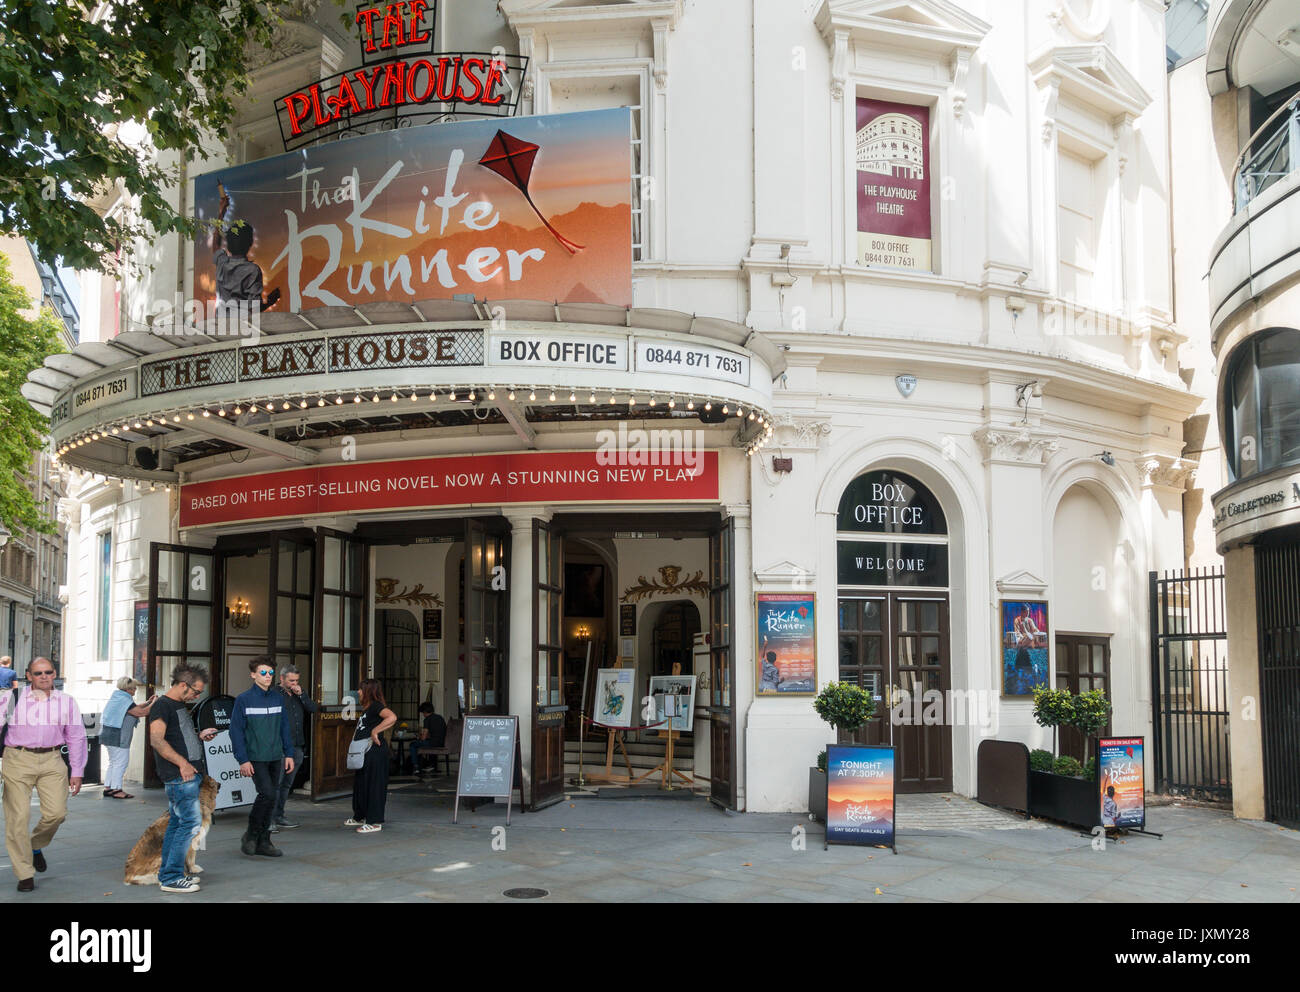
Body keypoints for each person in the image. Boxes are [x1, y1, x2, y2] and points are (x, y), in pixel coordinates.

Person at [0, 658, 87, 892]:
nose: (44, 676)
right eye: (38, 673)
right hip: (17, 759)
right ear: (29, 676)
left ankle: (34, 845)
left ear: (54, 673)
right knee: (18, 818)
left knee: (56, 813)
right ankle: (24, 873)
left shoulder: (66, 701)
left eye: (48, 672)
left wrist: (77, 771)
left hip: (52, 759)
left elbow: (77, 736)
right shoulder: (11, 699)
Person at [148, 663, 219, 894]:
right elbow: (157, 740)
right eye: (196, 691)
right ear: (182, 685)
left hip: (187, 774)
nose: (197, 696)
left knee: (178, 823)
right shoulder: (162, 706)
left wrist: (198, 737)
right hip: (181, 776)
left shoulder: (177, 705)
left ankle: (167, 873)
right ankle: (171, 877)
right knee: (189, 824)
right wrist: (183, 763)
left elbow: (175, 737)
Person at [230, 655, 295, 858]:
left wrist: (289, 753)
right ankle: (251, 835)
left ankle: (263, 841)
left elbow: (285, 727)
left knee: (272, 795)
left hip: (275, 756)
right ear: (253, 675)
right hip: (255, 757)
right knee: (267, 793)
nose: (268, 676)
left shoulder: (278, 698)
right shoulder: (243, 700)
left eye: (270, 673)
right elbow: (236, 731)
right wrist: (243, 759)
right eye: (263, 673)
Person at [211, 184, 281, 310]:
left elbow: (215, 245)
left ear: (228, 243)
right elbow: (253, 309)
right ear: (250, 243)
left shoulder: (222, 264)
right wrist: (270, 302)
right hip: (242, 327)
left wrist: (221, 212)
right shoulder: (252, 270)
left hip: (220, 326)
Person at [271, 663, 318, 830]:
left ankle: (280, 815)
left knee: (287, 785)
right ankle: (269, 820)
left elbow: (313, 709)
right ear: (282, 678)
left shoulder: (299, 694)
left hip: (298, 745)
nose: (294, 683)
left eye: (297, 680)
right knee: (276, 783)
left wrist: (302, 695)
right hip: (281, 747)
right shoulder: (274, 694)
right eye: (291, 680)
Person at [346, 679, 395, 834]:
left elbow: (392, 717)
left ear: (368, 691)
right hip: (365, 752)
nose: (358, 692)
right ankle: (359, 815)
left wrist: (375, 731)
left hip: (375, 751)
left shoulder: (376, 706)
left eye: (360, 689)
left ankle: (374, 821)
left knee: (374, 785)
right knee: (361, 783)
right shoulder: (367, 708)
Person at [100, 676, 155, 799]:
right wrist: (155, 703)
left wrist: (147, 703)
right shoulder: (124, 700)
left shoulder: (118, 697)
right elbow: (141, 713)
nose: (135, 690)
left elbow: (132, 709)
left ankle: (109, 788)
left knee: (113, 762)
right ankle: (117, 790)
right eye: (134, 688)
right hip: (118, 737)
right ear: (128, 689)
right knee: (121, 763)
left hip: (109, 734)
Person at [407, 701, 447, 775]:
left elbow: (423, 738)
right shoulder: (440, 717)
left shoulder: (427, 719)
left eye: (423, 713)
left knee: (412, 745)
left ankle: (416, 767)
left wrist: (419, 736)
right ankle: (432, 765)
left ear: (425, 711)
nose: (423, 714)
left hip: (432, 743)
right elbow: (437, 732)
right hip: (442, 743)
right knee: (430, 742)